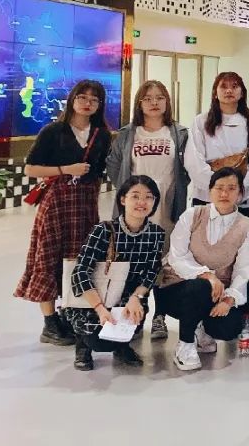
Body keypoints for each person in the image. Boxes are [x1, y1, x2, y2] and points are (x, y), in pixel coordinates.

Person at [16, 79, 113, 346]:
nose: (87, 103)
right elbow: (30, 168)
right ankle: (49, 323)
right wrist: (65, 170)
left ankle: (70, 313)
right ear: (72, 99)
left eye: (94, 99)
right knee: (48, 258)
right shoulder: (53, 131)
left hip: (85, 205)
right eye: (82, 97)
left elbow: (101, 171)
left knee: (81, 259)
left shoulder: (102, 135)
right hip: (57, 203)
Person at [106, 79, 189, 340]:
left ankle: (160, 316)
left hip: (167, 208)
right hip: (136, 211)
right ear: (139, 103)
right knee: (133, 261)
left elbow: (186, 170)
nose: (154, 103)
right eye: (148, 98)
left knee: (164, 264)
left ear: (167, 102)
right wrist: (131, 195)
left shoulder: (179, 133)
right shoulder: (128, 133)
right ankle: (133, 316)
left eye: (160, 97)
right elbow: (114, 166)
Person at [156, 168, 249, 372]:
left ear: (240, 193)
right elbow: (177, 256)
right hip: (177, 289)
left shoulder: (246, 226)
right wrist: (208, 275)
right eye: (219, 188)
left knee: (228, 328)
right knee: (201, 286)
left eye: (231, 188)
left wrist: (229, 300)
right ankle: (185, 344)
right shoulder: (193, 215)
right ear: (209, 191)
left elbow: (243, 270)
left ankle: (199, 326)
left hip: (217, 295)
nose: (224, 193)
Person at [67, 176, 165, 371]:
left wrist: (136, 297)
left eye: (148, 197)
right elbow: (80, 272)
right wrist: (100, 308)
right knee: (98, 341)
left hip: (128, 298)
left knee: (128, 325)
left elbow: (151, 271)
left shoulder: (156, 233)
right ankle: (83, 344)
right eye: (135, 196)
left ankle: (122, 346)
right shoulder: (103, 230)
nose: (142, 202)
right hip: (96, 297)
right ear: (122, 199)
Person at [184, 71, 249, 216]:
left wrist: (238, 191)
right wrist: (217, 189)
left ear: (242, 93)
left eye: (234, 86)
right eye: (223, 86)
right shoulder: (201, 122)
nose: (229, 90)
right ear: (215, 93)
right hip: (206, 196)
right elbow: (194, 161)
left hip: (241, 198)